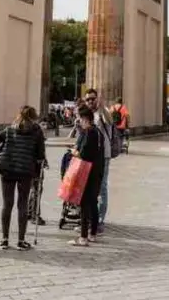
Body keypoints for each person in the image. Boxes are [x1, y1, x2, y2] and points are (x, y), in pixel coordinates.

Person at [0, 105, 46, 250]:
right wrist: (38, 167)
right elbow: (40, 154)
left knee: (7, 204)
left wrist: (0, 153)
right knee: (22, 204)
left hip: (8, 169)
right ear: (34, 117)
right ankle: (21, 240)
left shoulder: (10, 129)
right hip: (25, 171)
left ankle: (5, 239)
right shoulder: (36, 131)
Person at [70, 105, 105, 246]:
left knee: (84, 204)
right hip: (97, 171)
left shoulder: (89, 133)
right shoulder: (98, 133)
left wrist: (73, 152)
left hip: (86, 172)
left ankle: (83, 237)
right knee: (93, 203)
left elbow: (83, 154)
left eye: (80, 119)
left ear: (85, 119)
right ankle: (92, 234)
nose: (79, 122)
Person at [84, 89, 115, 228]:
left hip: (103, 156)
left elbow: (110, 121)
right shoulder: (86, 115)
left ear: (97, 99)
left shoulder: (103, 112)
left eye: (93, 98)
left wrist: (102, 106)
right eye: (88, 99)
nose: (90, 101)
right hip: (88, 155)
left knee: (101, 187)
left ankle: (100, 220)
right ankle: (89, 218)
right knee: (88, 187)